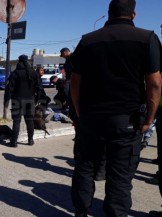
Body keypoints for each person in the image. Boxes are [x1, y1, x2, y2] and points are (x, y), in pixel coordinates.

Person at [70, 1, 161, 216]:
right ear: (133, 14)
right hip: (126, 120)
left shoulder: (88, 40)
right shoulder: (147, 38)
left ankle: (80, 213)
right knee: (120, 175)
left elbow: (75, 81)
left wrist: (79, 112)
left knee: (85, 168)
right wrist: (149, 118)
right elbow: (155, 83)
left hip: (91, 118)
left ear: (109, 13)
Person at [6, 54, 38, 147]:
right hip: (30, 100)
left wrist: (6, 100)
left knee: (16, 121)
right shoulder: (33, 72)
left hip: (17, 100)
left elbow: (9, 88)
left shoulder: (15, 73)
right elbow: (38, 87)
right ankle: (30, 140)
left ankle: (14, 142)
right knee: (29, 120)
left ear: (18, 61)